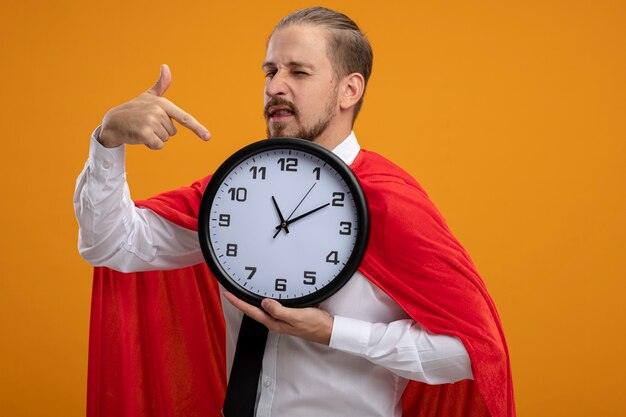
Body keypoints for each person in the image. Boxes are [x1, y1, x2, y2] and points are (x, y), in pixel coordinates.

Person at [74, 6, 514, 417]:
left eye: (298, 72)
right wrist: (107, 141)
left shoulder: (391, 201)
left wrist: (330, 331)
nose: (274, 86)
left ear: (349, 89)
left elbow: (471, 351)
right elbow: (113, 245)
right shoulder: (235, 191)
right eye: (271, 71)